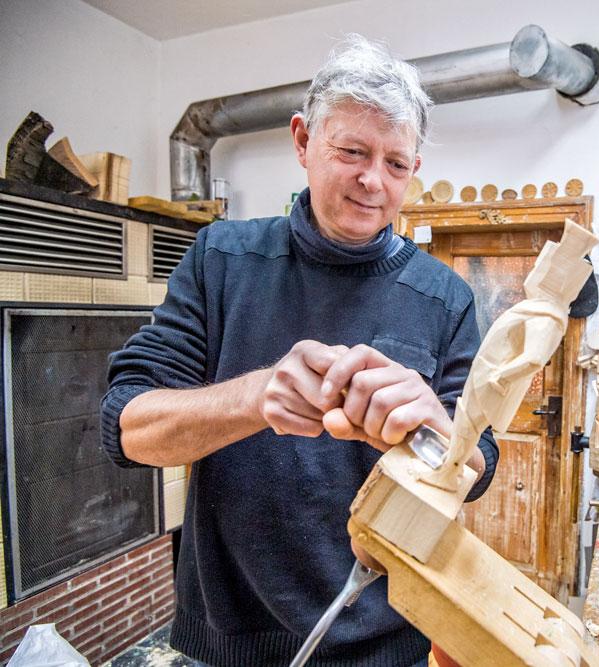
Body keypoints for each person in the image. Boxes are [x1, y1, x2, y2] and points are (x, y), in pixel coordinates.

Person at [100, 35, 498, 667]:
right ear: (303, 142)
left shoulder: (444, 296)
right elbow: (129, 431)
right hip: (230, 639)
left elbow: (479, 467)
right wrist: (256, 396)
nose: (373, 180)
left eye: (396, 163)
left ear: (414, 168)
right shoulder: (221, 259)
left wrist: (440, 429)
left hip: (383, 641)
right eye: (351, 152)